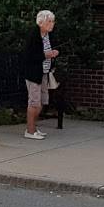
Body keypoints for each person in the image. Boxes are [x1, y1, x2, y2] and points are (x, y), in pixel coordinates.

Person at [22, 9, 58, 140]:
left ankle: (33, 127)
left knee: (42, 100)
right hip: (34, 74)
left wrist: (54, 53)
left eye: (52, 21)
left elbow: (50, 49)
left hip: (44, 72)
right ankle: (30, 130)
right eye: (49, 21)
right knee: (34, 102)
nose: (52, 24)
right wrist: (46, 55)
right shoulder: (34, 36)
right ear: (41, 22)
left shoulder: (48, 36)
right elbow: (29, 56)